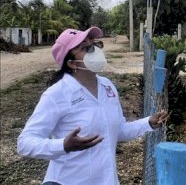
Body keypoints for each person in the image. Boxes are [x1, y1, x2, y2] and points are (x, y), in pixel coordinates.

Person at [17, 26, 169, 185]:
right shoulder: (56, 94)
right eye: (85, 48)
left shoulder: (107, 87)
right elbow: (25, 143)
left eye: (95, 44)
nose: (94, 51)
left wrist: (148, 123)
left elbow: (117, 131)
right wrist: (63, 145)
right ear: (72, 63)